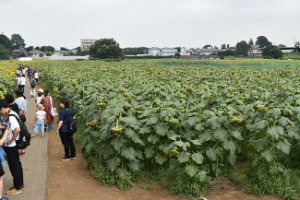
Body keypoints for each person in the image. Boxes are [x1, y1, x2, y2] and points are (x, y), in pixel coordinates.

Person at [0, 99, 24, 195]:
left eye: (0, 111)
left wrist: (11, 140)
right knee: (17, 164)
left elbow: (17, 129)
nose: (0, 113)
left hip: (12, 146)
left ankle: (17, 187)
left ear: (2, 108)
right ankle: (19, 184)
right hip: (12, 145)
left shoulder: (11, 116)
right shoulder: (11, 113)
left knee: (14, 166)